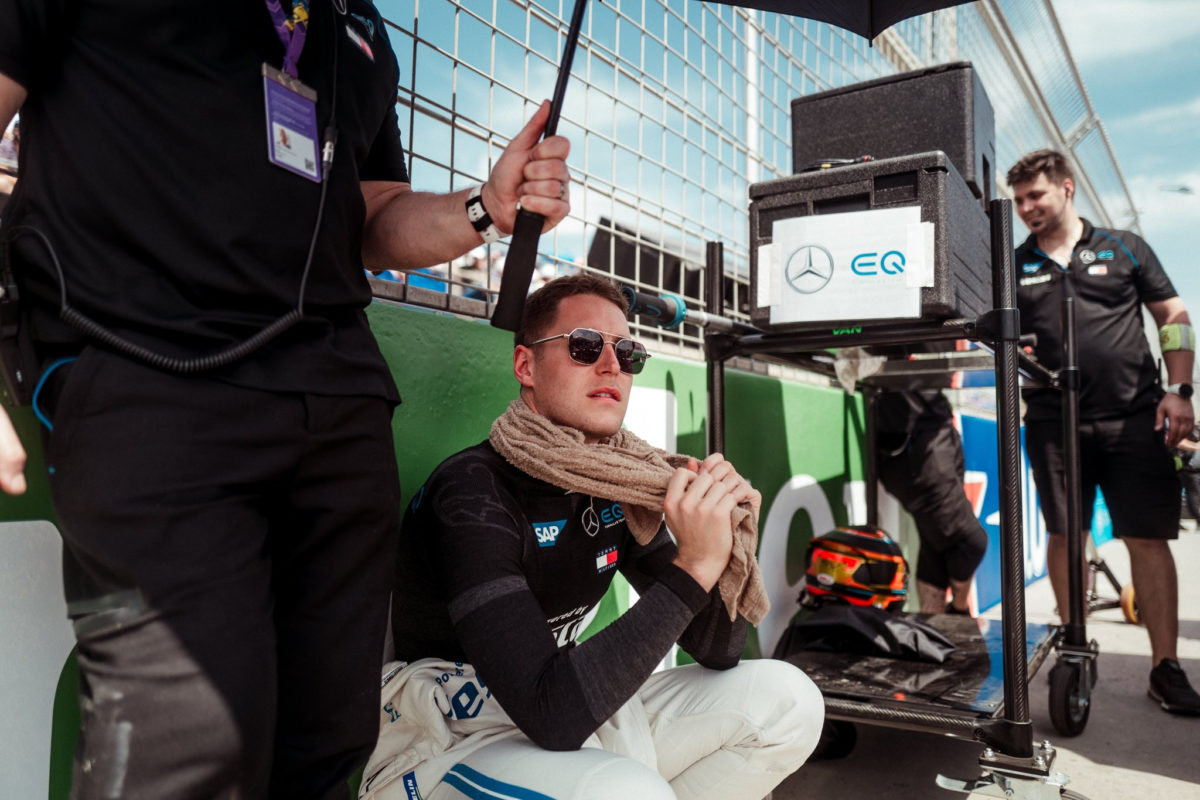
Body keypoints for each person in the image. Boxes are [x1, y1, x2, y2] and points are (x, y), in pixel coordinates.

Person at [0, 2, 571, 796]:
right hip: (147, 374)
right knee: (189, 749)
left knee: (329, 744)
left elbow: (373, 214)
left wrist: (484, 208)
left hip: (338, 407)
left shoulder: (360, 25)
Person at [361, 273, 823, 800]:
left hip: (567, 714)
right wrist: (693, 567)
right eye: (584, 345)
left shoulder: (618, 480)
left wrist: (717, 546)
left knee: (790, 701)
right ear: (525, 366)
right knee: (626, 792)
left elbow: (716, 649)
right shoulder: (470, 493)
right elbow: (550, 714)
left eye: (627, 353)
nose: (611, 365)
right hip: (446, 736)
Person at [1008, 148, 1200, 715]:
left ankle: (1165, 668)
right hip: (1052, 420)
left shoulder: (1124, 247)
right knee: (1065, 534)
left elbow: (1173, 316)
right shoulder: (1013, 264)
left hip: (1135, 417)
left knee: (1147, 538)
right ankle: (1074, 647)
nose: (1026, 208)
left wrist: (1180, 390)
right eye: (1018, 201)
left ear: (1066, 188)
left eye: (1036, 195)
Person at [874, 386, 987, 615]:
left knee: (934, 547)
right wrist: (959, 609)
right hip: (915, 442)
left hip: (935, 427)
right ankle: (957, 611)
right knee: (970, 541)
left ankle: (935, 625)